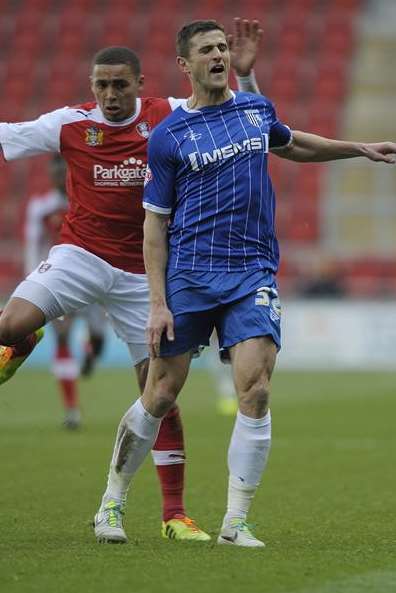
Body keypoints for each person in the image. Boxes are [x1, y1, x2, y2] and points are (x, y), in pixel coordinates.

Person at [94, 19, 396, 549]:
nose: (218, 56)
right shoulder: (169, 137)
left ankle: (236, 522)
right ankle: (112, 501)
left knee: (255, 390)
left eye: (221, 48)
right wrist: (158, 304)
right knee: (161, 394)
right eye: (206, 51)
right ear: (185, 66)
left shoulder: (254, 108)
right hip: (189, 273)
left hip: (251, 272)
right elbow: (154, 224)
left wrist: (356, 148)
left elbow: (291, 145)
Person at [0, 19, 263, 542]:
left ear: (141, 84)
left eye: (121, 84)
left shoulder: (170, 113)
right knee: (9, 323)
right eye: (101, 84)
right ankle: (25, 338)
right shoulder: (69, 123)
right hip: (81, 254)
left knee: (158, 390)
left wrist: (246, 74)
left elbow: (245, 116)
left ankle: (174, 513)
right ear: (91, 85)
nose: (110, 94)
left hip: (146, 272)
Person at [24, 154, 106, 429]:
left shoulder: (88, 201)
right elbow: (33, 246)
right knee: (60, 337)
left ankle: (90, 354)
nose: (59, 177)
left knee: (98, 340)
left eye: (63, 172)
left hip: (92, 280)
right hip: (57, 280)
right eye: (55, 172)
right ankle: (72, 411)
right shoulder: (41, 208)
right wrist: (35, 284)